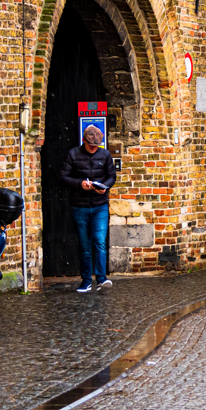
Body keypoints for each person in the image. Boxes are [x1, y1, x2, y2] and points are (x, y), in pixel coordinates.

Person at [60, 124, 117, 293]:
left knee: (99, 242)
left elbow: (111, 176)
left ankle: (101, 279)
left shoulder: (105, 154)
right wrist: (80, 184)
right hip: (80, 206)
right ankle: (86, 280)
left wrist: (105, 186)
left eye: (96, 146)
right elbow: (63, 177)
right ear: (83, 140)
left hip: (100, 205)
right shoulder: (73, 154)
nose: (93, 149)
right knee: (84, 245)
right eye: (91, 146)